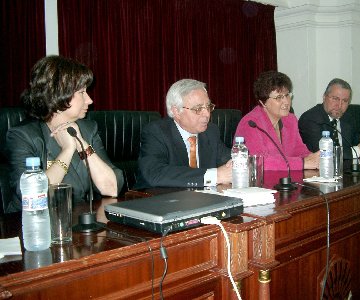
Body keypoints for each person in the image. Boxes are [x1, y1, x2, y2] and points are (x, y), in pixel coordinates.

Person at [6, 55, 124, 211]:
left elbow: (111, 188)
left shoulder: (88, 129)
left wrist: (81, 143)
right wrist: (67, 150)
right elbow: (33, 196)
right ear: (59, 94)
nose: (89, 100)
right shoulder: (23, 136)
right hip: (31, 225)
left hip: (76, 222)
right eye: (82, 92)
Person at [135, 79, 232, 188]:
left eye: (208, 107)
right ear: (176, 111)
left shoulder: (210, 131)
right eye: (198, 109)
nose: (207, 114)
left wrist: (237, 163)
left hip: (202, 200)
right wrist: (215, 176)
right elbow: (155, 173)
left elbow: (227, 158)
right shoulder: (156, 132)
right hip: (158, 199)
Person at [234, 70, 320, 170]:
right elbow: (259, 163)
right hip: (259, 183)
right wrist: (302, 163)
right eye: (279, 97)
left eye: (287, 95)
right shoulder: (251, 124)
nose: (286, 102)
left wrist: (316, 159)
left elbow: (299, 151)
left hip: (287, 182)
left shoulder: (290, 120)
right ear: (263, 102)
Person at [298, 78, 360, 160]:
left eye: (345, 101)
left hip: (348, 169)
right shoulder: (310, 118)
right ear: (324, 97)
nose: (339, 105)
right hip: (320, 171)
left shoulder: (349, 117)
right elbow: (322, 153)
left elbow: (359, 143)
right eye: (335, 99)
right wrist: (357, 151)